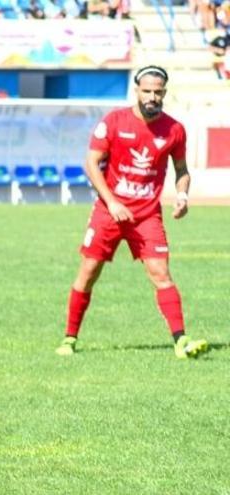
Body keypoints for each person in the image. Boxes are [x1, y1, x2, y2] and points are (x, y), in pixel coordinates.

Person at [55, 66, 208, 359]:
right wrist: (112, 201)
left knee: (160, 272)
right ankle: (69, 338)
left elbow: (181, 170)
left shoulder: (174, 129)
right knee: (88, 272)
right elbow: (91, 163)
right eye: (147, 91)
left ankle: (180, 340)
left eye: (158, 92)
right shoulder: (114, 121)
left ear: (164, 93)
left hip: (147, 215)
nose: (152, 97)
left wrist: (183, 194)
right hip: (109, 212)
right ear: (136, 91)